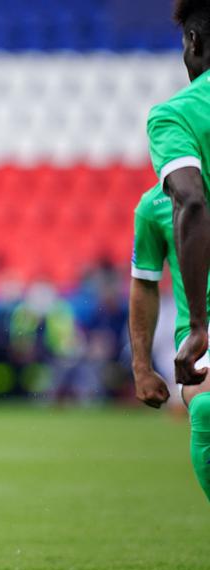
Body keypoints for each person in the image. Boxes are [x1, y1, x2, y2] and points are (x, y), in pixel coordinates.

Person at [143, 0, 210, 500]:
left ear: (194, 43)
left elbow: (189, 198)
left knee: (205, 408)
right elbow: (141, 281)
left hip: (205, 314)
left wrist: (201, 324)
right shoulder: (149, 210)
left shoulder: (177, 115)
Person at [129, 183, 210, 500]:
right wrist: (141, 365)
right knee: (205, 408)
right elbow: (144, 282)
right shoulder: (154, 205)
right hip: (201, 328)